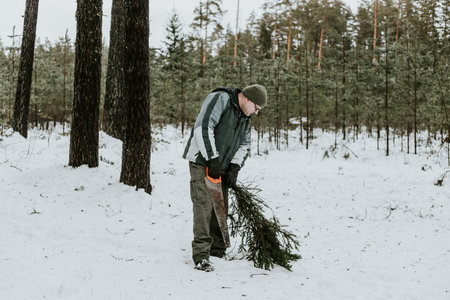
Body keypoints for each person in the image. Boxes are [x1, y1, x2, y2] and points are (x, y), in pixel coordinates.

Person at [183, 84, 267, 272]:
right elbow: (203, 127)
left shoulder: (244, 118)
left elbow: (245, 144)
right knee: (204, 205)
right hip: (201, 160)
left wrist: (234, 167)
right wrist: (211, 158)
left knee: (220, 206)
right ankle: (201, 256)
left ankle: (217, 251)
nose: (256, 112)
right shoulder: (220, 99)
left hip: (221, 165)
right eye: (257, 108)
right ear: (249, 99)